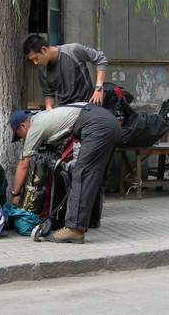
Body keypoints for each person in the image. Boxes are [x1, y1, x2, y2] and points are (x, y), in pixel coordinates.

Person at [9, 104, 121, 244]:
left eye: (19, 135)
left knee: (81, 174)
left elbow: (24, 164)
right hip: (110, 121)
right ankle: (91, 220)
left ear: (23, 126)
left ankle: (74, 229)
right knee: (95, 174)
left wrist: (15, 194)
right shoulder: (45, 116)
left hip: (95, 124)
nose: (22, 139)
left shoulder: (35, 127)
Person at [23, 35, 108, 109]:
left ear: (44, 50)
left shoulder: (72, 50)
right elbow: (48, 93)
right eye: (32, 60)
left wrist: (98, 88)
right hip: (65, 110)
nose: (35, 63)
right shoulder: (42, 69)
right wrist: (49, 108)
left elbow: (100, 59)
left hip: (86, 105)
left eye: (36, 58)